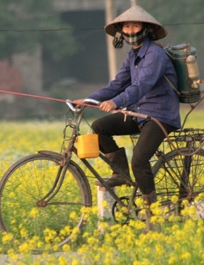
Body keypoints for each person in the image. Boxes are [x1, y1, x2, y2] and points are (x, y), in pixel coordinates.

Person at [73, 5, 181, 212]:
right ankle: (120, 174)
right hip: (140, 113)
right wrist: (88, 100)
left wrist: (116, 102)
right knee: (99, 127)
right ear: (121, 31)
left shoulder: (155, 55)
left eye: (135, 25)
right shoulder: (133, 56)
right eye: (127, 27)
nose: (131, 31)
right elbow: (116, 85)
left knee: (139, 161)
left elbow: (142, 86)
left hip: (160, 116)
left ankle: (152, 213)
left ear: (145, 28)